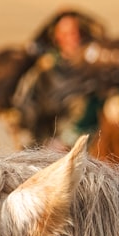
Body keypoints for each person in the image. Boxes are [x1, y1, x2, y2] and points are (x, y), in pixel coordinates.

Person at [14, 8, 108, 148]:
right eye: (67, 34)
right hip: (54, 139)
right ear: (57, 38)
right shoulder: (45, 71)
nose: (74, 38)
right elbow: (29, 109)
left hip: (94, 138)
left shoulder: (96, 66)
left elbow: (102, 30)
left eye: (77, 32)